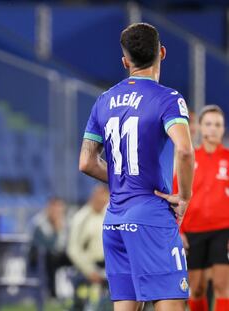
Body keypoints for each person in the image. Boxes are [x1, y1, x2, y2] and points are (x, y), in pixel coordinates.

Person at [79, 23, 195, 311]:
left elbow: (86, 162)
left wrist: (123, 179)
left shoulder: (103, 101)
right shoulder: (168, 99)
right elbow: (184, 150)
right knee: (170, 302)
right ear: (162, 53)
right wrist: (184, 197)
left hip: (114, 219)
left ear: (125, 61)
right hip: (151, 216)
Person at [174, 105, 229, 311]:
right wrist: (179, 230)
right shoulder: (189, 158)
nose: (213, 129)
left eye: (218, 125)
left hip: (223, 230)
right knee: (195, 289)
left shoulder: (228, 158)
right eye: (208, 124)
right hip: (193, 230)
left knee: (222, 286)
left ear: (223, 129)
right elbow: (176, 194)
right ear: (200, 127)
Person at [67, 184, 110, 310]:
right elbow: (73, 249)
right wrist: (89, 270)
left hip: (110, 266)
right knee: (89, 305)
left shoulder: (110, 214)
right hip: (88, 268)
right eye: (99, 196)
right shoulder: (81, 217)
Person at [29, 197, 71, 298]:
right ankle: (52, 294)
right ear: (49, 208)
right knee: (49, 258)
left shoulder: (66, 222)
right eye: (55, 208)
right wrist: (57, 230)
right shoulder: (39, 223)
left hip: (57, 255)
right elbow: (48, 246)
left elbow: (68, 243)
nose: (57, 212)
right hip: (38, 256)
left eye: (60, 208)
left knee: (75, 256)